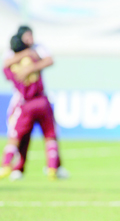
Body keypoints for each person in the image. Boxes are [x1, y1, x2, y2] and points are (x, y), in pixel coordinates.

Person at [1, 25, 67, 180]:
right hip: (41, 100)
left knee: (15, 136)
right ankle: (51, 168)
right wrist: (31, 62)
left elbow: (6, 69)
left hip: (25, 102)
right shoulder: (33, 57)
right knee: (50, 134)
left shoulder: (10, 65)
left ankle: (6, 165)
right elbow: (47, 60)